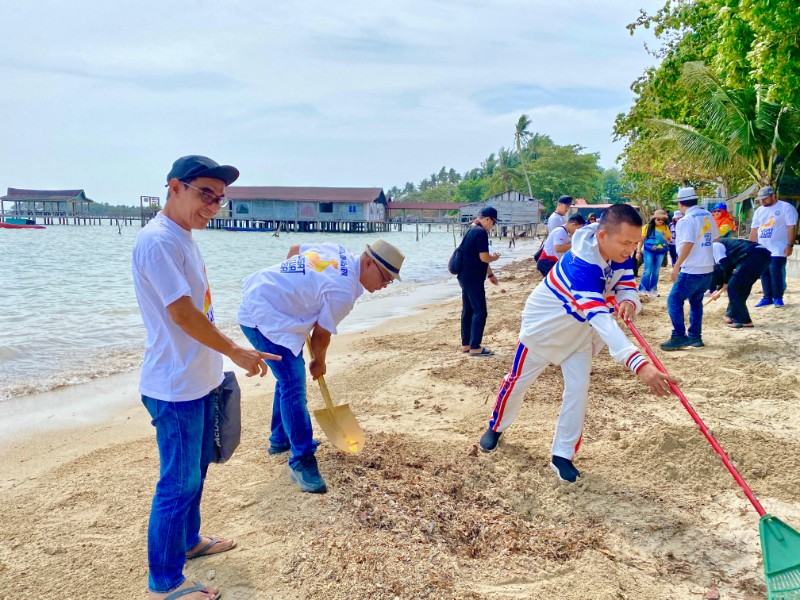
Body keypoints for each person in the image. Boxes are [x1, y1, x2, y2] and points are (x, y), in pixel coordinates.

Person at [133, 155, 280, 600]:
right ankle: (164, 583)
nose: (214, 205)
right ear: (174, 187)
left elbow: (199, 312)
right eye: (205, 194)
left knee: (194, 473)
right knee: (177, 482)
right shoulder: (158, 241)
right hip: (173, 386)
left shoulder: (183, 237)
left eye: (220, 198)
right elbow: (180, 314)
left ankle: (188, 542)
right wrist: (235, 349)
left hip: (198, 380)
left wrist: (224, 360)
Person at [477, 204, 675, 482]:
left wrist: (629, 301)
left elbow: (625, 283)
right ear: (603, 236)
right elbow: (601, 319)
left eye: (634, 243)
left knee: (578, 390)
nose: (630, 250)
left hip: (580, 333)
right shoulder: (582, 264)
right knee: (518, 381)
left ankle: (562, 454)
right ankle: (496, 427)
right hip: (544, 329)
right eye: (625, 243)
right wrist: (639, 365)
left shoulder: (618, 251)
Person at [238, 240, 404, 493]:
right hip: (264, 316)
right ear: (369, 263)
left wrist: (293, 288)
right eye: (385, 278)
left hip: (267, 296)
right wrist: (319, 361)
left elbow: (295, 249)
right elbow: (321, 335)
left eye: (389, 282)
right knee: (293, 384)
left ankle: (280, 439)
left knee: (288, 378)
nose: (383, 286)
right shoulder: (343, 292)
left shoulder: (337, 250)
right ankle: (301, 460)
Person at [661, 186, 719, 351]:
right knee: (696, 302)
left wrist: (676, 266)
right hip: (707, 268)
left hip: (692, 269)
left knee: (674, 300)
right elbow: (716, 237)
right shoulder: (707, 215)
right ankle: (695, 336)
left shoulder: (686, 220)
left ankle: (679, 335)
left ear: (680, 203)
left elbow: (688, 243)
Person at [457, 207, 501, 356]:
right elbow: (484, 258)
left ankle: (466, 344)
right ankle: (475, 347)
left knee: (468, 310)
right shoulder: (481, 232)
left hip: (464, 275)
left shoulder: (471, 229)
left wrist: (490, 275)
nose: (492, 227)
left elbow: (476, 257)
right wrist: (494, 257)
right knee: (480, 311)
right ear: (488, 219)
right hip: (473, 277)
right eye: (493, 223)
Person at [749, 185, 798, 308]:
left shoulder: (786, 208)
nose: (762, 201)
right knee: (764, 273)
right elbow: (754, 230)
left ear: (773, 195)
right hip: (762, 247)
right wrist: (750, 247)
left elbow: (792, 227)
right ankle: (767, 297)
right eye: (761, 199)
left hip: (779, 247)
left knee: (775, 271)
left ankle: (777, 297)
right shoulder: (759, 211)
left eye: (765, 198)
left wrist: (790, 245)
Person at [709, 238, 771, 328]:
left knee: (734, 287)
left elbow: (726, 265)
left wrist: (725, 284)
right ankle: (730, 314)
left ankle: (743, 320)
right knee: (742, 286)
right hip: (764, 255)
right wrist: (719, 288)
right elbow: (726, 267)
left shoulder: (714, 245)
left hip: (753, 255)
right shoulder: (726, 244)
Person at [635, 209, 671, 297]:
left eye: (663, 220)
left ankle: (653, 289)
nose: (661, 221)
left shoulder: (666, 228)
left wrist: (666, 237)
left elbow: (669, 241)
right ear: (654, 219)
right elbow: (641, 240)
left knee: (656, 271)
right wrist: (638, 251)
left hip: (661, 252)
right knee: (648, 270)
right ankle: (642, 288)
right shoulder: (647, 227)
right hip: (648, 251)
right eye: (659, 219)